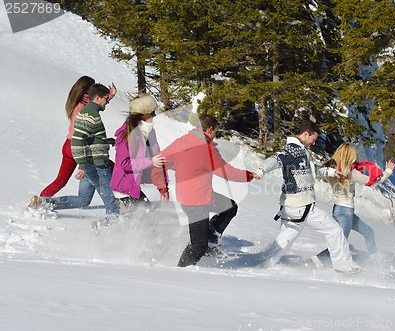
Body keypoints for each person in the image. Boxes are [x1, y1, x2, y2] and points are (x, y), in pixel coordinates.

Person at [253, 121, 361, 274]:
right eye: (313, 138)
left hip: (291, 206)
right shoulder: (292, 150)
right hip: (301, 207)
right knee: (335, 231)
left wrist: (331, 172)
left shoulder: (300, 150)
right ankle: (344, 266)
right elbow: (276, 159)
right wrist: (260, 171)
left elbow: (311, 169)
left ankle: (263, 265)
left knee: (284, 241)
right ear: (305, 134)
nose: (314, 142)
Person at [151, 115, 256, 267]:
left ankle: (211, 240)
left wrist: (162, 187)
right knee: (198, 246)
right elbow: (227, 172)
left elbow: (158, 164)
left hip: (197, 198)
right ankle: (179, 271)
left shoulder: (181, 142)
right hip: (196, 203)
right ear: (209, 129)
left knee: (229, 207)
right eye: (215, 132)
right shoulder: (206, 149)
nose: (215, 136)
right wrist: (250, 175)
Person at [28, 83, 120, 224]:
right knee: (109, 195)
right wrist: (82, 165)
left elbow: (88, 137)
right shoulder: (90, 116)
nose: (107, 103)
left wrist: (103, 141)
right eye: (106, 99)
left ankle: (44, 204)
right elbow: (77, 140)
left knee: (83, 200)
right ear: (97, 98)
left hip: (91, 163)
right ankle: (107, 226)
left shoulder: (87, 112)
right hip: (97, 165)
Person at [39, 76, 116, 198]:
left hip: (68, 146)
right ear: (86, 91)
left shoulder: (77, 103)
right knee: (112, 170)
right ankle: (125, 203)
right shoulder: (83, 109)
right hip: (77, 147)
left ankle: (39, 202)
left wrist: (109, 96)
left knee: (60, 181)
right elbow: (81, 135)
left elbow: (96, 104)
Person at [325, 143, 395, 254]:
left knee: (368, 232)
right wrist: (388, 171)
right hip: (345, 212)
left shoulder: (331, 169)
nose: (355, 160)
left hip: (339, 210)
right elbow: (374, 182)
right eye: (354, 157)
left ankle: (374, 257)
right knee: (339, 244)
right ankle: (317, 261)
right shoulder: (351, 173)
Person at [110, 94, 169, 211]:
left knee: (142, 218)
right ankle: (108, 226)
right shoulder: (127, 135)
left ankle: (106, 224)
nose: (155, 115)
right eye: (152, 113)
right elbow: (125, 164)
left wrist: (163, 187)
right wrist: (150, 161)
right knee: (147, 217)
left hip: (133, 185)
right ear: (143, 115)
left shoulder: (150, 133)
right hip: (124, 186)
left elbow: (157, 160)